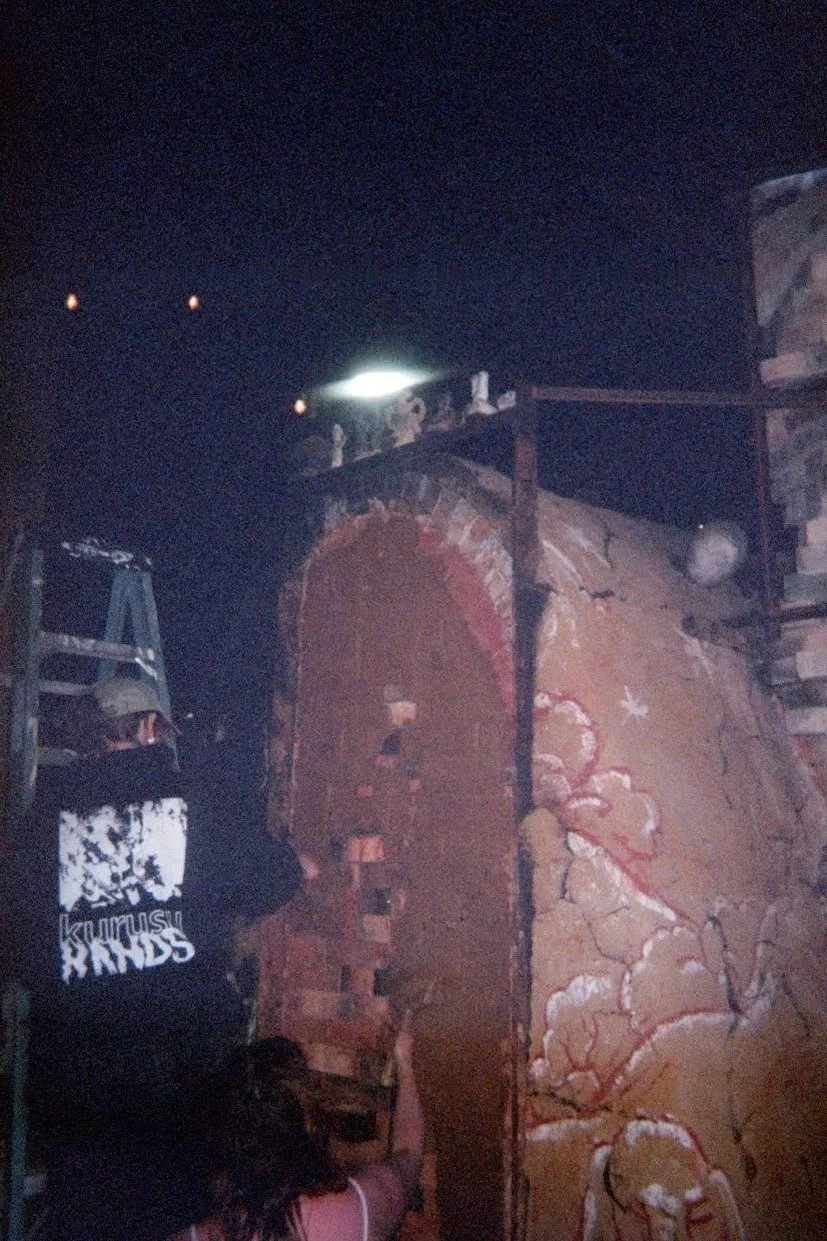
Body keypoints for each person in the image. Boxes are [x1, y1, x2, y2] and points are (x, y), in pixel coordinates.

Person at [1, 675, 307, 1241]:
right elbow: (276, 876)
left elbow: (17, 946)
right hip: (181, 1093)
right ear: (148, 728)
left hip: (78, 1098)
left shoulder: (39, 830)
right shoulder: (195, 812)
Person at [170, 1021, 425, 1241]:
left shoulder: (195, 1236)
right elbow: (409, 1153)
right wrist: (404, 1062)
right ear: (306, 1124)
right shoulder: (352, 1211)